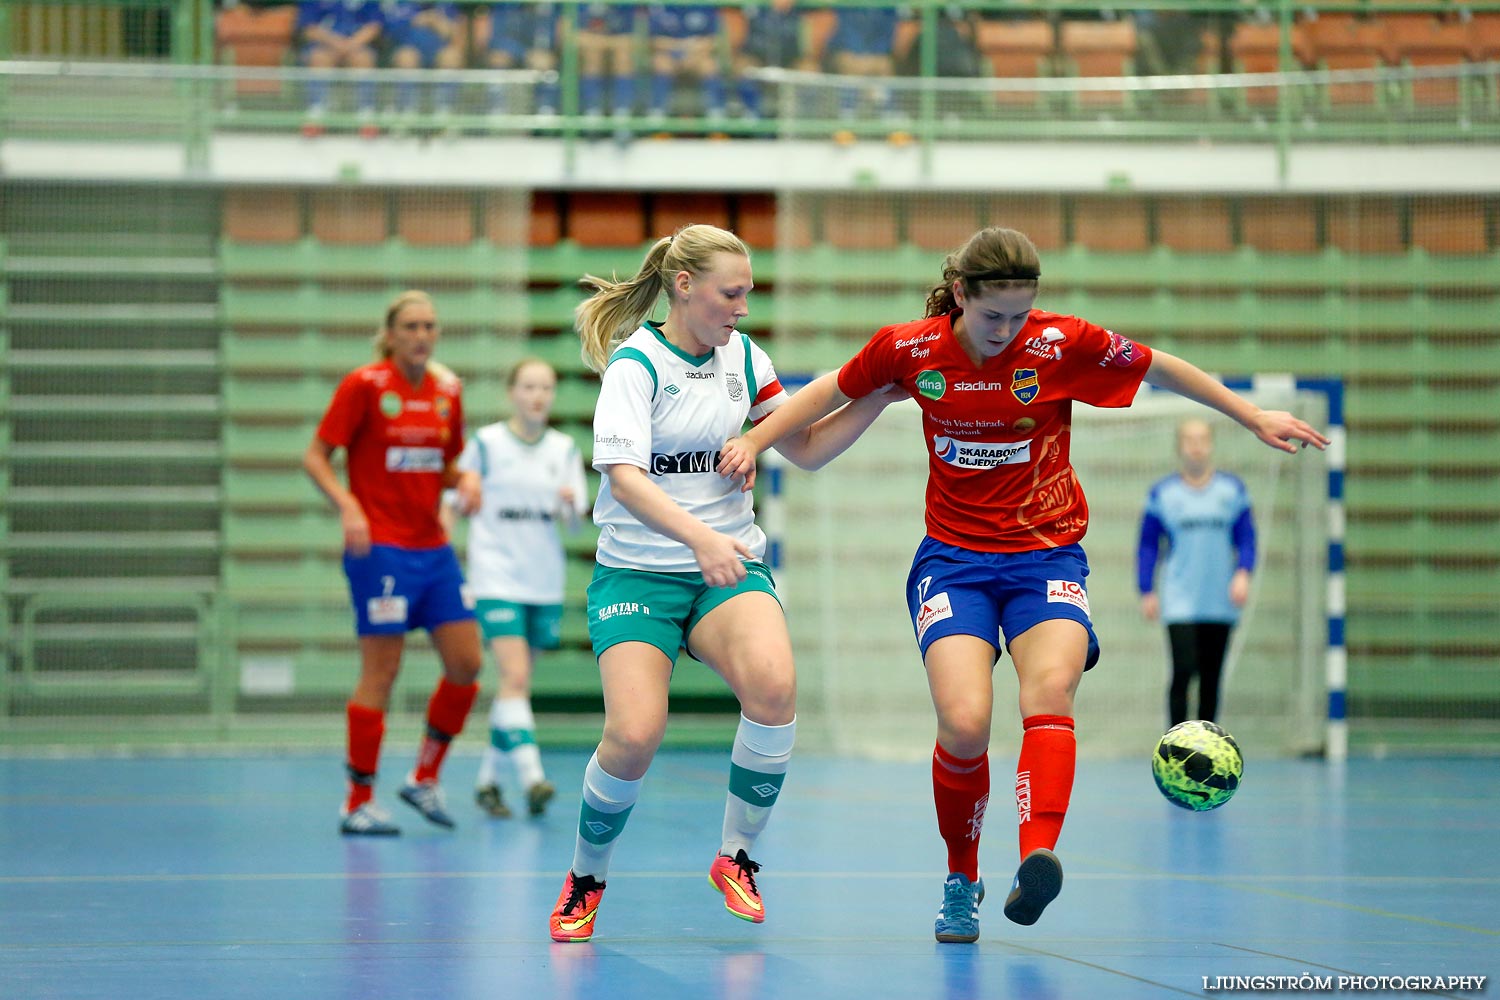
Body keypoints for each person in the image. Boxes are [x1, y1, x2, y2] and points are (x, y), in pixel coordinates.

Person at [717, 226, 1327, 943]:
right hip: (953, 563)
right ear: (960, 297)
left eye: (1020, 314)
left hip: (1047, 560)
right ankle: (960, 876)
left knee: (1049, 693)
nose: (1007, 330)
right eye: (992, 315)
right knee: (966, 722)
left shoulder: (1060, 344)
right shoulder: (910, 349)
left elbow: (1161, 367)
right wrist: (755, 441)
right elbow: (827, 390)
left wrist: (1249, 414)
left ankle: (1038, 851)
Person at [547, 224, 904, 943]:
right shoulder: (636, 366)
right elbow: (623, 478)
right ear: (685, 287)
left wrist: (878, 398)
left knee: (774, 690)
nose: (742, 308)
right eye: (731, 293)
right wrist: (700, 536)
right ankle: (587, 875)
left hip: (727, 568)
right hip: (641, 572)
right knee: (634, 734)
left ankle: (738, 857)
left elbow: (802, 447)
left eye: (748, 294)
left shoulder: (744, 357)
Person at [303, 290, 485, 837]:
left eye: (430, 325)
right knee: (381, 672)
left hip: (433, 550)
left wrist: (468, 479)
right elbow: (315, 456)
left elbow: (444, 465)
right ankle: (356, 801)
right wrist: (349, 506)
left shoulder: (447, 391)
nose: (422, 335)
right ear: (390, 333)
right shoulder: (365, 385)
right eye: (410, 325)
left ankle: (423, 778)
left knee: (466, 665)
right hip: (379, 549)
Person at [445, 358, 589, 819]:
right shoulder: (485, 445)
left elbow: (574, 526)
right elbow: (452, 505)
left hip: (542, 581)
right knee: (515, 678)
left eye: (545, 388)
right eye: (528, 386)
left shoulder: (564, 449)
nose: (537, 396)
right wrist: (444, 560)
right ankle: (533, 777)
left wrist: (569, 507)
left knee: (514, 690)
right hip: (495, 577)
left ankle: (488, 781)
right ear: (512, 392)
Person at [1136, 418, 1256, 727]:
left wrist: (1244, 572)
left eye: (1202, 439)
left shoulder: (1232, 491)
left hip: (1220, 600)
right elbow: (1149, 545)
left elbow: (1246, 537)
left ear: (1211, 444)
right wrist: (1146, 589)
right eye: (1189, 439)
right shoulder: (1163, 494)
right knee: (1183, 670)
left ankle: (1207, 748)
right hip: (1180, 600)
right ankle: (1175, 744)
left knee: (1211, 676)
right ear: (1180, 446)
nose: (1196, 445)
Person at [297, 0, 384, 137]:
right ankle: (316, 114)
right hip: (325, 45)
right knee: (319, 58)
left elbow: (374, 27)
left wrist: (350, 45)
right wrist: (337, 43)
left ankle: (366, 115)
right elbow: (310, 29)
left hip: (356, 45)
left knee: (364, 59)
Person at [383, 2, 465, 120]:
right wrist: (415, 20)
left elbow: (454, 34)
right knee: (407, 57)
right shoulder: (401, 4)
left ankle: (445, 110)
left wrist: (437, 22)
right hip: (408, 50)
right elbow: (390, 32)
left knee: (451, 56)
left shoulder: (446, 5)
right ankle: (407, 110)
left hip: (437, 52)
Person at [645, 4, 726, 121]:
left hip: (697, 54)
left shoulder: (705, 6)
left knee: (709, 64)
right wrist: (678, 47)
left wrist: (694, 52)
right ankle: (658, 110)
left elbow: (715, 40)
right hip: (669, 53)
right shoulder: (661, 7)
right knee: (660, 62)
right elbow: (653, 41)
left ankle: (715, 111)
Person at [485, 2, 561, 117]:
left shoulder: (552, 7)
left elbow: (556, 39)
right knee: (498, 57)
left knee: (545, 61)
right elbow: (496, 40)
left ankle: (545, 110)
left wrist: (550, 53)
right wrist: (525, 54)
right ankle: (497, 110)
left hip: (543, 55)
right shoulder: (505, 6)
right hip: (515, 51)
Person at [574, 2, 640, 120]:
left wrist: (602, 42)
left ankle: (622, 115)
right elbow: (569, 36)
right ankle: (592, 114)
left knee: (623, 55)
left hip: (615, 49)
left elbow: (635, 39)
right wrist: (605, 42)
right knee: (593, 54)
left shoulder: (626, 6)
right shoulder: (580, 5)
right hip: (585, 51)